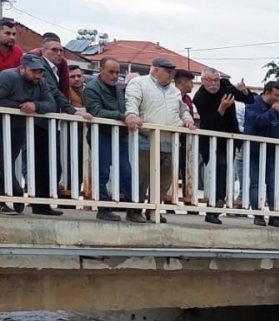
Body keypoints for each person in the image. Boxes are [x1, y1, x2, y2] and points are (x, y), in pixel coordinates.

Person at [0, 54, 90, 216]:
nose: (37, 75)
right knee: (2, 162)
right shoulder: (8, 77)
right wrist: (20, 106)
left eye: (40, 72)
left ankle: (27, 199)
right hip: (3, 125)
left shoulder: (41, 83)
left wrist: (35, 104)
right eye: (33, 71)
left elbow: (51, 104)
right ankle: (14, 194)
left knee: (8, 162)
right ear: (22, 68)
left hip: (17, 128)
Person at [125, 58, 196, 222]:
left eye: (172, 72)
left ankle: (154, 209)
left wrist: (188, 119)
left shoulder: (174, 91)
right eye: (168, 71)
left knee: (164, 180)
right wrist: (131, 115)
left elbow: (183, 109)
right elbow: (132, 102)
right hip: (145, 138)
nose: (171, 75)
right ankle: (135, 209)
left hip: (169, 141)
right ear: (155, 70)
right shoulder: (139, 83)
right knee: (141, 178)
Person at [192, 69, 254, 224]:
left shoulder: (225, 86)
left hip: (229, 138)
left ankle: (218, 205)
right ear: (202, 80)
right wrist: (222, 107)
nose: (214, 84)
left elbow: (250, 100)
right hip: (211, 140)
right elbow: (210, 123)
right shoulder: (200, 97)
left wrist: (244, 91)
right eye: (209, 80)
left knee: (225, 171)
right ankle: (214, 206)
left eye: (216, 80)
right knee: (218, 167)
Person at [83, 58, 142, 222]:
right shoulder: (91, 88)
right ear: (100, 70)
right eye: (111, 72)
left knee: (127, 172)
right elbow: (96, 111)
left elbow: (124, 106)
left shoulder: (119, 88)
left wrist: (128, 116)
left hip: (118, 136)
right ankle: (103, 208)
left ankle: (133, 209)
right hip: (101, 134)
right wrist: (124, 117)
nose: (115, 76)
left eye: (117, 72)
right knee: (102, 172)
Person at [242, 80, 279, 228]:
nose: (278, 98)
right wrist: (272, 111)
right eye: (276, 95)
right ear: (267, 93)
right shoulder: (253, 104)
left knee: (273, 184)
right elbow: (256, 122)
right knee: (255, 183)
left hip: (273, 150)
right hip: (256, 150)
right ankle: (258, 214)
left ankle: (274, 215)